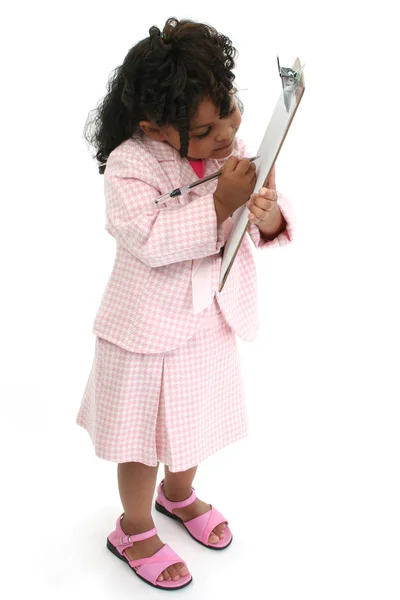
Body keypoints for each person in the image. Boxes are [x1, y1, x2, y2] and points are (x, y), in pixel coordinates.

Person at [76, 17, 295, 591]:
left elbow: (254, 223)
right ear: (155, 126)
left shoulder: (230, 150)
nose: (226, 135)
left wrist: (264, 213)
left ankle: (179, 496)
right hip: (146, 331)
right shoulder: (130, 166)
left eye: (230, 112)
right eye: (205, 130)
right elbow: (147, 239)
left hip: (206, 321)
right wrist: (218, 204)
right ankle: (134, 524)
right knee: (144, 438)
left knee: (192, 424)